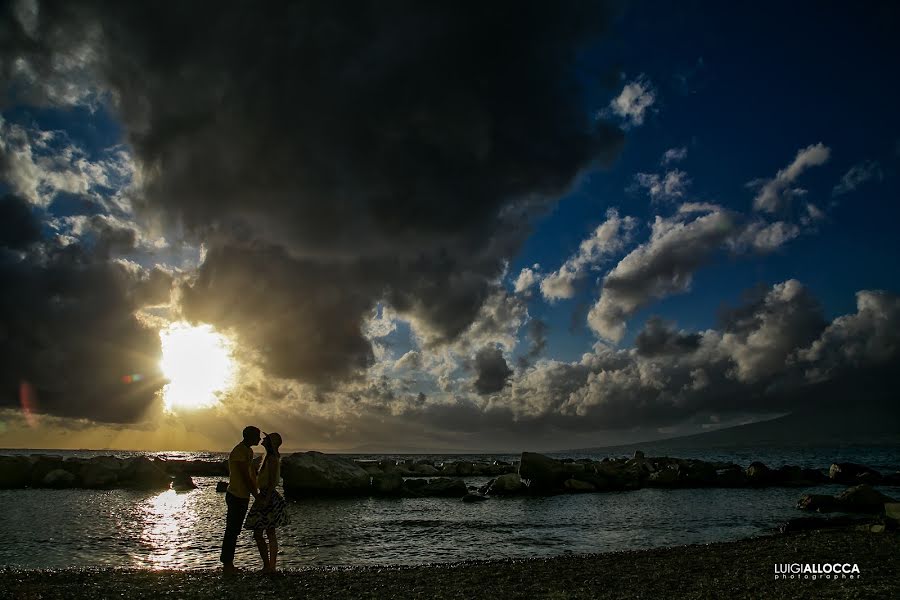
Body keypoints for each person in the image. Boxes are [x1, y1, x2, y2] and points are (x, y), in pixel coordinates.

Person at [244, 431, 290, 573]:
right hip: (266, 495)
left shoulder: (271, 458)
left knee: (266, 532)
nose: (263, 439)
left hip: (267, 496)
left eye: (266, 438)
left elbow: (271, 482)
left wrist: (266, 499)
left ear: (270, 443)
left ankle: (270, 566)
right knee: (265, 532)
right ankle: (269, 566)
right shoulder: (268, 457)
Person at [220, 425, 261, 574]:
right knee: (232, 529)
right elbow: (244, 476)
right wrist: (256, 494)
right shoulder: (240, 451)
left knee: (235, 530)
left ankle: (229, 563)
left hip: (242, 495)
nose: (259, 439)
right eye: (257, 436)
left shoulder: (248, 451)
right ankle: (227, 564)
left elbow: (250, 473)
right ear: (249, 436)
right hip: (236, 494)